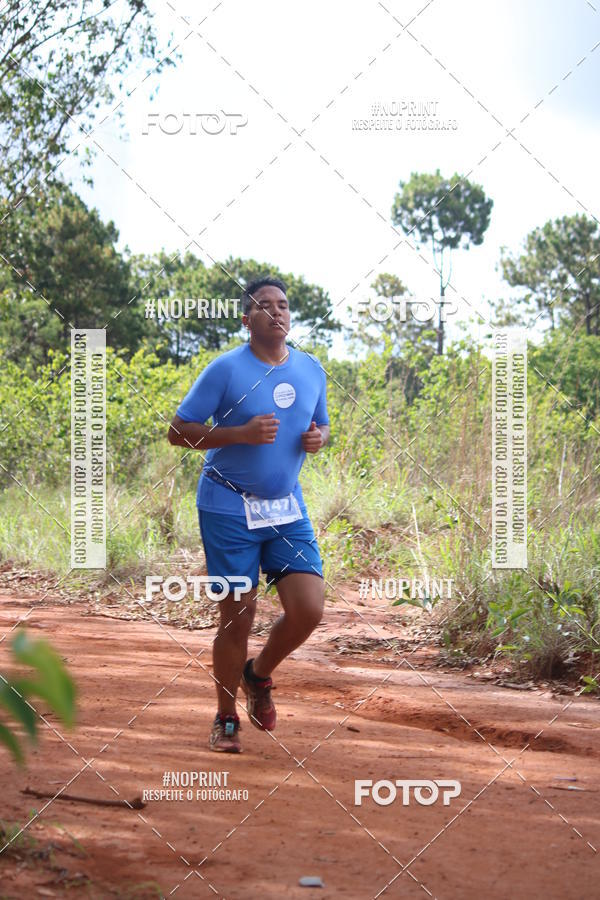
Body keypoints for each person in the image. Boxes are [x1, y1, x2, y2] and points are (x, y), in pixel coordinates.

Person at [168, 276, 330, 752]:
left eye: (283, 305)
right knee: (238, 615)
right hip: (227, 505)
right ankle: (225, 719)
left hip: (285, 507)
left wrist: (319, 438)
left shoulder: (312, 369)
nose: (276, 312)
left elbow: (320, 424)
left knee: (308, 609)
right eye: (265, 306)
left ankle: (257, 675)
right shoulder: (225, 370)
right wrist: (238, 434)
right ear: (247, 319)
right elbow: (179, 432)